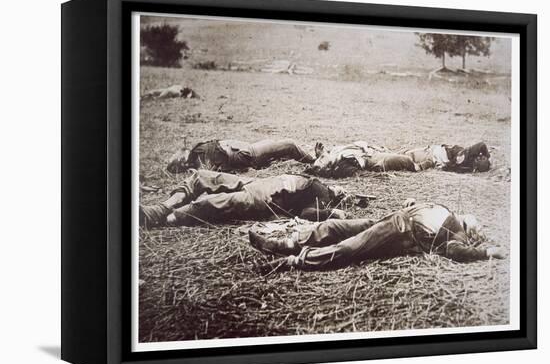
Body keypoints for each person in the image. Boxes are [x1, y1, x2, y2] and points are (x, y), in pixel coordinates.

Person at [248, 199, 505, 272]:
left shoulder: (456, 232)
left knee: (349, 248)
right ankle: (282, 244)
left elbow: (454, 251)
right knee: (335, 228)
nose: (475, 222)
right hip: (394, 218)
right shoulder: (447, 210)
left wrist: (484, 252)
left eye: (477, 227)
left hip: (399, 232)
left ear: (470, 231)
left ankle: (291, 261)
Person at [140, 169, 347, 228]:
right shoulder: (315, 181)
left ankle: (164, 219)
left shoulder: (324, 195)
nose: (340, 188)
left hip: (266, 197)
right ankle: (161, 208)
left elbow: (307, 214)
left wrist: (332, 212)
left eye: (342, 191)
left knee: (213, 203)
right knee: (202, 177)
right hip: (257, 182)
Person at [308, 141, 491, 177]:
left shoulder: (339, 152)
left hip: (374, 152)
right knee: (405, 159)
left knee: (403, 156)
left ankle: (416, 163)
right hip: (432, 153)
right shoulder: (463, 155)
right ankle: (418, 166)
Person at [167, 139, 316, 173]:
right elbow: (213, 169)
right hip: (250, 153)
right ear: (183, 161)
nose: (184, 150)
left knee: (283, 149)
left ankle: (310, 158)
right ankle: (316, 162)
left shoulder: (199, 154)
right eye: (181, 155)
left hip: (247, 149)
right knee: (289, 145)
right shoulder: (200, 158)